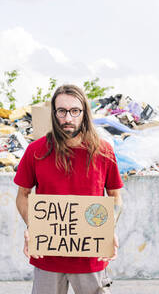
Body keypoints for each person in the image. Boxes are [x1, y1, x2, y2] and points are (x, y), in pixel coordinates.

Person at [15, 84, 124, 294]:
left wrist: (109, 228)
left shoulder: (103, 152)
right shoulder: (35, 151)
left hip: (90, 256)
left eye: (75, 111)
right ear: (54, 114)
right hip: (48, 257)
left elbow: (115, 197)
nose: (68, 118)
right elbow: (22, 196)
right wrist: (34, 226)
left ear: (84, 112)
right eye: (62, 111)